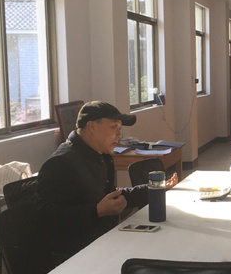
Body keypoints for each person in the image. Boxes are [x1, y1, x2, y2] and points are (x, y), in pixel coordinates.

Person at [37, 100, 149, 259]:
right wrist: (96, 211)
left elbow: (110, 198)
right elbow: (48, 218)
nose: (119, 134)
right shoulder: (60, 163)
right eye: (114, 127)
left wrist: (154, 189)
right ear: (92, 126)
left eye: (120, 129)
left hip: (104, 242)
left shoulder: (101, 155)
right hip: (76, 255)